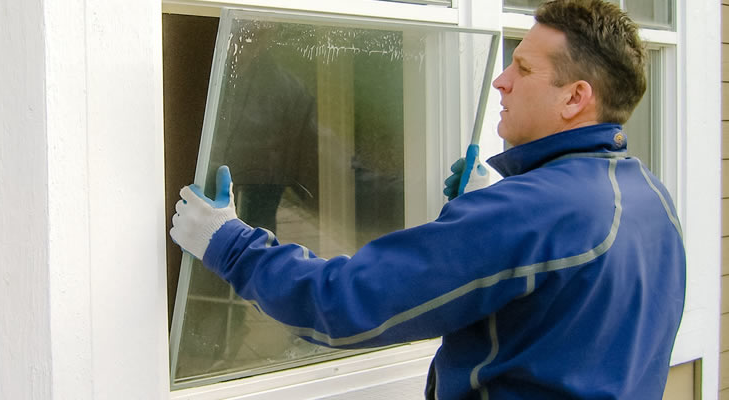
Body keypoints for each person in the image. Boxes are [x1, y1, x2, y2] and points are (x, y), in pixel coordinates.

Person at [170, 0, 686, 398]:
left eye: (524, 69)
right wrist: (495, 216)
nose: (503, 81)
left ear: (575, 98)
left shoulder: (530, 212)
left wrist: (229, 245)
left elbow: (345, 305)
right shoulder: (652, 201)